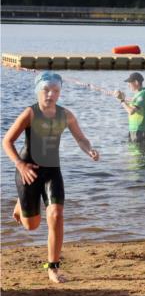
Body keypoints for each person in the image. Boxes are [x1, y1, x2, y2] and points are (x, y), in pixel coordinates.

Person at [4, 72, 100, 283]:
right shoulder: (30, 113)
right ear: (38, 91)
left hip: (52, 172)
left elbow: (81, 139)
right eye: (46, 90)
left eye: (55, 91)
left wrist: (89, 149)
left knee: (56, 215)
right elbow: (7, 141)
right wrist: (20, 165)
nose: (50, 94)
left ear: (59, 93)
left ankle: (53, 268)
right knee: (31, 226)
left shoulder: (66, 115)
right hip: (28, 171)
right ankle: (21, 202)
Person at [115, 72, 145, 145]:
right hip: (134, 129)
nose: (128, 85)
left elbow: (131, 111)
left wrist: (121, 100)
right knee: (133, 150)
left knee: (138, 151)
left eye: (129, 83)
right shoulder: (138, 94)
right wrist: (123, 98)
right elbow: (130, 107)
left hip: (141, 129)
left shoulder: (143, 94)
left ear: (136, 82)